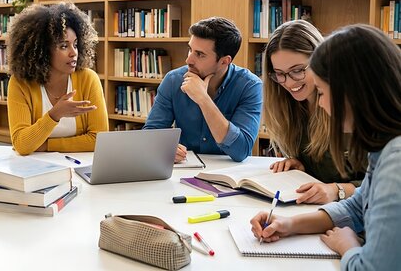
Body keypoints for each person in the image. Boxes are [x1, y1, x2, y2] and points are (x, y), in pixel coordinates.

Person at [250, 24, 401, 270]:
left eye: (321, 92)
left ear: (351, 90)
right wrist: (289, 224)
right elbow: (356, 206)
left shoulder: (396, 161)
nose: (319, 104)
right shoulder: (383, 147)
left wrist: (348, 247)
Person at [263, 20, 363, 204]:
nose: (290, 83)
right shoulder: (290, 106)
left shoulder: (348, 108)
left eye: (298, 70)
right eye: (280, 73)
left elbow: (383, 184)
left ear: (321, 60)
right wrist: (301, 169)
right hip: (316, 212)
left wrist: (337, 190)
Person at [143, 16, 262, 162]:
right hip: (184, 171)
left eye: (200, 54)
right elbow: (151, 134)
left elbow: (241, 150)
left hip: (230, 175)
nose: (189, 60)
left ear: (224, 61)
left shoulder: (249, 86)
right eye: (190, 50)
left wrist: (203, 100)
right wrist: (164, 147)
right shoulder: (173, 80)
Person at [7, 2, 108, 155]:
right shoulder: (20, 84)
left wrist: (47, 145)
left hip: (77, 166)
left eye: (75, 44)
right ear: (43, 51)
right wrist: (55, 115)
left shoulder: (88, 79)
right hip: (34, 169)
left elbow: (99, 139)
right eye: (63, 46)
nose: (73, 53)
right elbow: (22, 144)